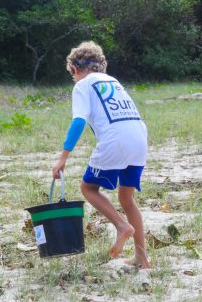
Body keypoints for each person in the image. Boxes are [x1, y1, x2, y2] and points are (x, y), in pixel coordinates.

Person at [52, 41, 150, 268]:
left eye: (72, 75)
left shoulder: (82, 85)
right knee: (127, 198)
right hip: (139, 137)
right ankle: (142, 259)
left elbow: (79, 121)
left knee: (88, 188)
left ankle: (121, 226)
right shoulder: (113, 81)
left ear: (75, 69)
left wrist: (63, 157)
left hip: (115, 139)